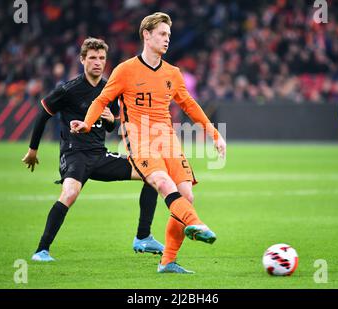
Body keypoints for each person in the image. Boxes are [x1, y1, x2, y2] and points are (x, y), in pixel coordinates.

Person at [70, 13, 226, 273]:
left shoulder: (172, 73)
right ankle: (198, 225)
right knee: (163, 183)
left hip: (167, 139)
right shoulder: (125, 70)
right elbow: (100, 100)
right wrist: (87, 123)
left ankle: (168, 262)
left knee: (186, 194)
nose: (167, 39)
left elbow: (189, 105)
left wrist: (214, 134)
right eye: (162, 34)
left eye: (168, 35)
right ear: (147, 35)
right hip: (138, 139)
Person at [22, 38, 164, 262]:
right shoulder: (69, 90)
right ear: (82, 60)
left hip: (99, 154)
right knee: (70, 193)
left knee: (152, 174)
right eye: (92, 58)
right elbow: (43, 113)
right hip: (74, 153)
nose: (98, 62)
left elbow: (111, 125)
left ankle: (143, 237)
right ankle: (41, 250)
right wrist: (33, 150)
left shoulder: (110, 88)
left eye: (101, 58)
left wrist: (110, 120)